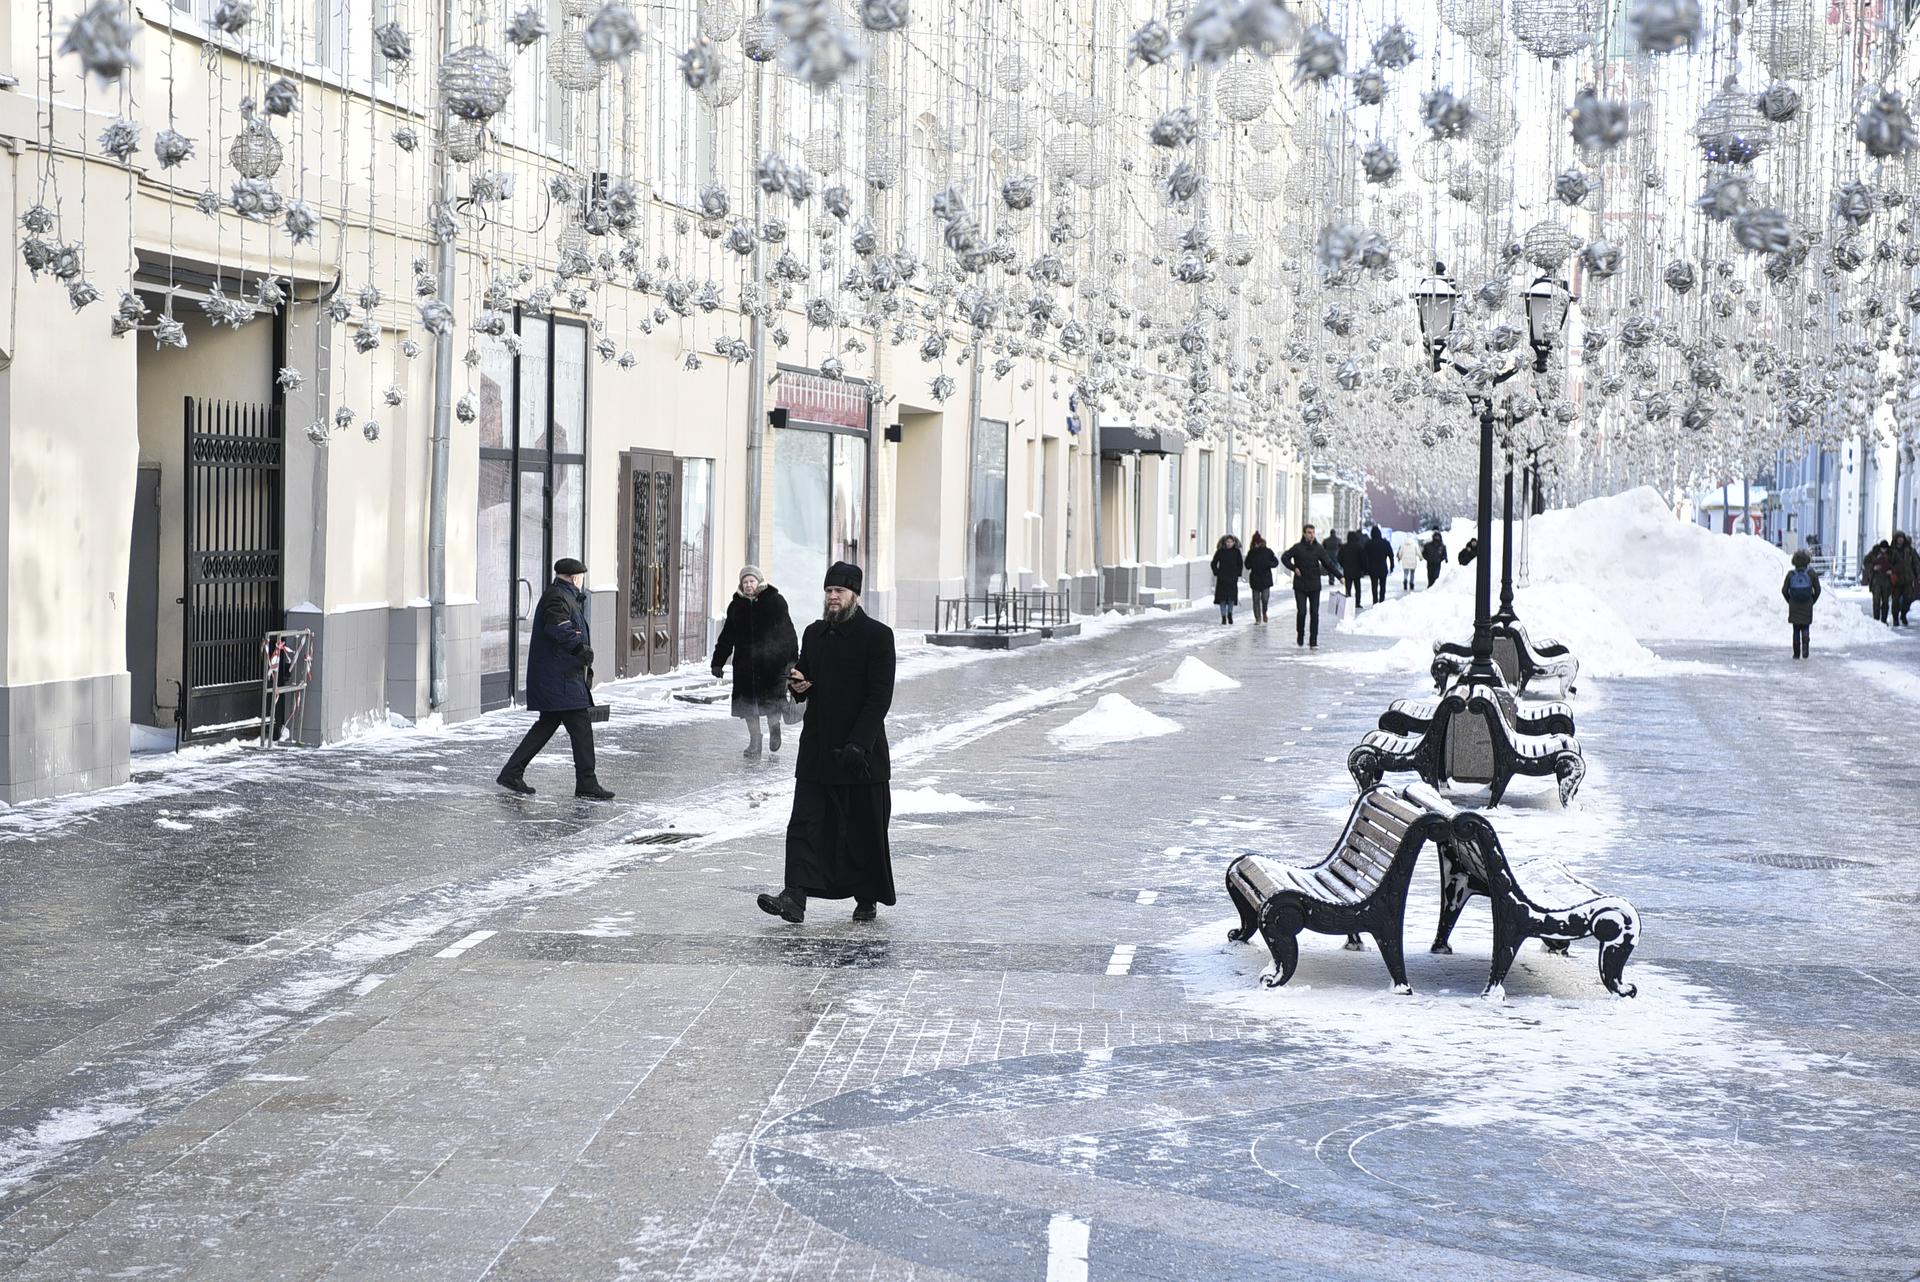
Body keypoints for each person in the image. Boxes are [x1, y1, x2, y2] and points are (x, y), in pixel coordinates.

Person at [758, 562, 896, 925]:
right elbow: (805, 678)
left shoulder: (877, 636)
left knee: (862, 829)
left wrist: (859, 744)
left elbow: (879, 697)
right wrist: (798, 685)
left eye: (840, 591)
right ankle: (794, 896)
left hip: (860, 754)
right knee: (805, 824)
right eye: (829, 591)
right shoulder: (815, 633)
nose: (833, 597)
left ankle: (866, 897)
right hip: (818, 749)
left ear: (855, 595)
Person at [496, 557, 614, 800]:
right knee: (581, 727)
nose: (582, 581)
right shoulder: (558, 597)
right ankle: (586, 783)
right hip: (559, 679)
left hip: (561, 676)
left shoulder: (565, 596)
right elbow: (559, 628)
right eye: (581, 577)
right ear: (574, 578)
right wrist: (579, 650)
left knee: (547, 725)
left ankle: (511, 773)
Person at [711, 565, 799, 759]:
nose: (748, 585)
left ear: (759, 582)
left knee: (772, 701)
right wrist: (718, 661)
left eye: (752, 581)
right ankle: (755, 740)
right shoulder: (736, 606)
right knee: (747, 705)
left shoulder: (775, 601)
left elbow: (788, 633)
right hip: (745, 665)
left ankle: (774, 729)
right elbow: (727, 636)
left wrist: (793, 661)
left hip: (772, 663)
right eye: (745, 582)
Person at [1280, 523, 1340, 648]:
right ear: (1304, 534)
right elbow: (1284, 558)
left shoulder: (1319, 548)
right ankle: (1300, 634)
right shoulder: (1297, 548)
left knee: (1314, 613)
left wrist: (1340, 576)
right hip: (1300, 585)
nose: (1312, 535)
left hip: (1314, 585)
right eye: (1309, 532)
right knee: (1302, 612)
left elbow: (1328, 563)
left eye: (1313, 532)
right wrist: (1294, 568)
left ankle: (1313, 639)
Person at [1782, 548, 1821, 659]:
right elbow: (1818, 590)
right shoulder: (1811, 574)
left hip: (1794, 605)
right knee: (1805, 627)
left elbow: (1784, 591)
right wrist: (1812, 601)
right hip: (1807, 604)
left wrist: (1790, 601)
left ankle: (1796, 653)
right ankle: (1805, 647)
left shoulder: (1790, 574)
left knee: (1796, 629)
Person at [1244, 532, 1279, 624]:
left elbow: (1276, 562)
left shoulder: (1268, 551)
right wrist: (1251, 564)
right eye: (1255, 543)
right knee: (1255, 600)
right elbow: (1247, 565)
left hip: (1266, 578)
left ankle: (1264, 612)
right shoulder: (1251, 553)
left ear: (1261, 542)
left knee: (1265, 598)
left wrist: (1269, 564)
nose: (1256, 544)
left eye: (1258, 543)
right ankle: (1258, 618)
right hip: (1255, 578)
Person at [1210, 534, 1244, 624]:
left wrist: (1237, 574)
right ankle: (1223, 617)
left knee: (1231, 598)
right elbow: (1214, 563)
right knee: (1222, 598)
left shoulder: (1236, 552)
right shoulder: (1220, 551)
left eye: (1231, 542)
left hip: (1232, 578)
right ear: (1224, 542)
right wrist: (1217, 572)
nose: (1229, 544)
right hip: (1222, 578)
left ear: (1234, 543)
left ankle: (1230, 614)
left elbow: (1240, 564)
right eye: (1227, 542)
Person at [1893, 531, 1920, 627]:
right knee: (1895, 600)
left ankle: (1903, 615)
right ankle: (1895, 618)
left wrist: (1918, 574)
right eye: (1899, 538)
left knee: (1908, 599)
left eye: (1902, 538)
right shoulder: (1892, 551)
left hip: (1908, 579)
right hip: (1896, 580)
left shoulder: (1910, 550)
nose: (1900, 540)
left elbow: (1916, 563)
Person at [1865, 540, 1894, 624]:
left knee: (1885, 601)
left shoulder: (1891, 554)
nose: (1884, 550)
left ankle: (1884, 620)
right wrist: (1873, 567)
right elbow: (1866, 562)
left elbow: (1897, 564)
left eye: (1885, 549)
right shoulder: (1874, 553)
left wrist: (1892, 570)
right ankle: (1876, 620)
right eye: (1882, 548)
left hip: (1887, 581)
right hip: (1876, 580)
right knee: (1876, 601)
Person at [1338, 527, 1366, 607]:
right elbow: (1362, 559)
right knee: (1358, 588)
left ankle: (1348, 601)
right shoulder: (1359, 547)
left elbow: (1339, 558)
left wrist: (1343, 565)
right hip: (1357, 570)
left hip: (1347, 570)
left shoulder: (1344, 547)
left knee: (1348, 587)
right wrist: (1363, 568)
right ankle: (1357, 602)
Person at [1365, 524, 1392, 604]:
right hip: (1383, 567)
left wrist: (1365, 568)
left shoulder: (1368, 544)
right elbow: (1391, 555)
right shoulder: (1385, 543)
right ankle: (1382, 600)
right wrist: (1392, 565)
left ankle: (1375, 600)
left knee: (1374, 586)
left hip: (1372, 568)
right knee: (1383, 585)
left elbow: (1364, 556)